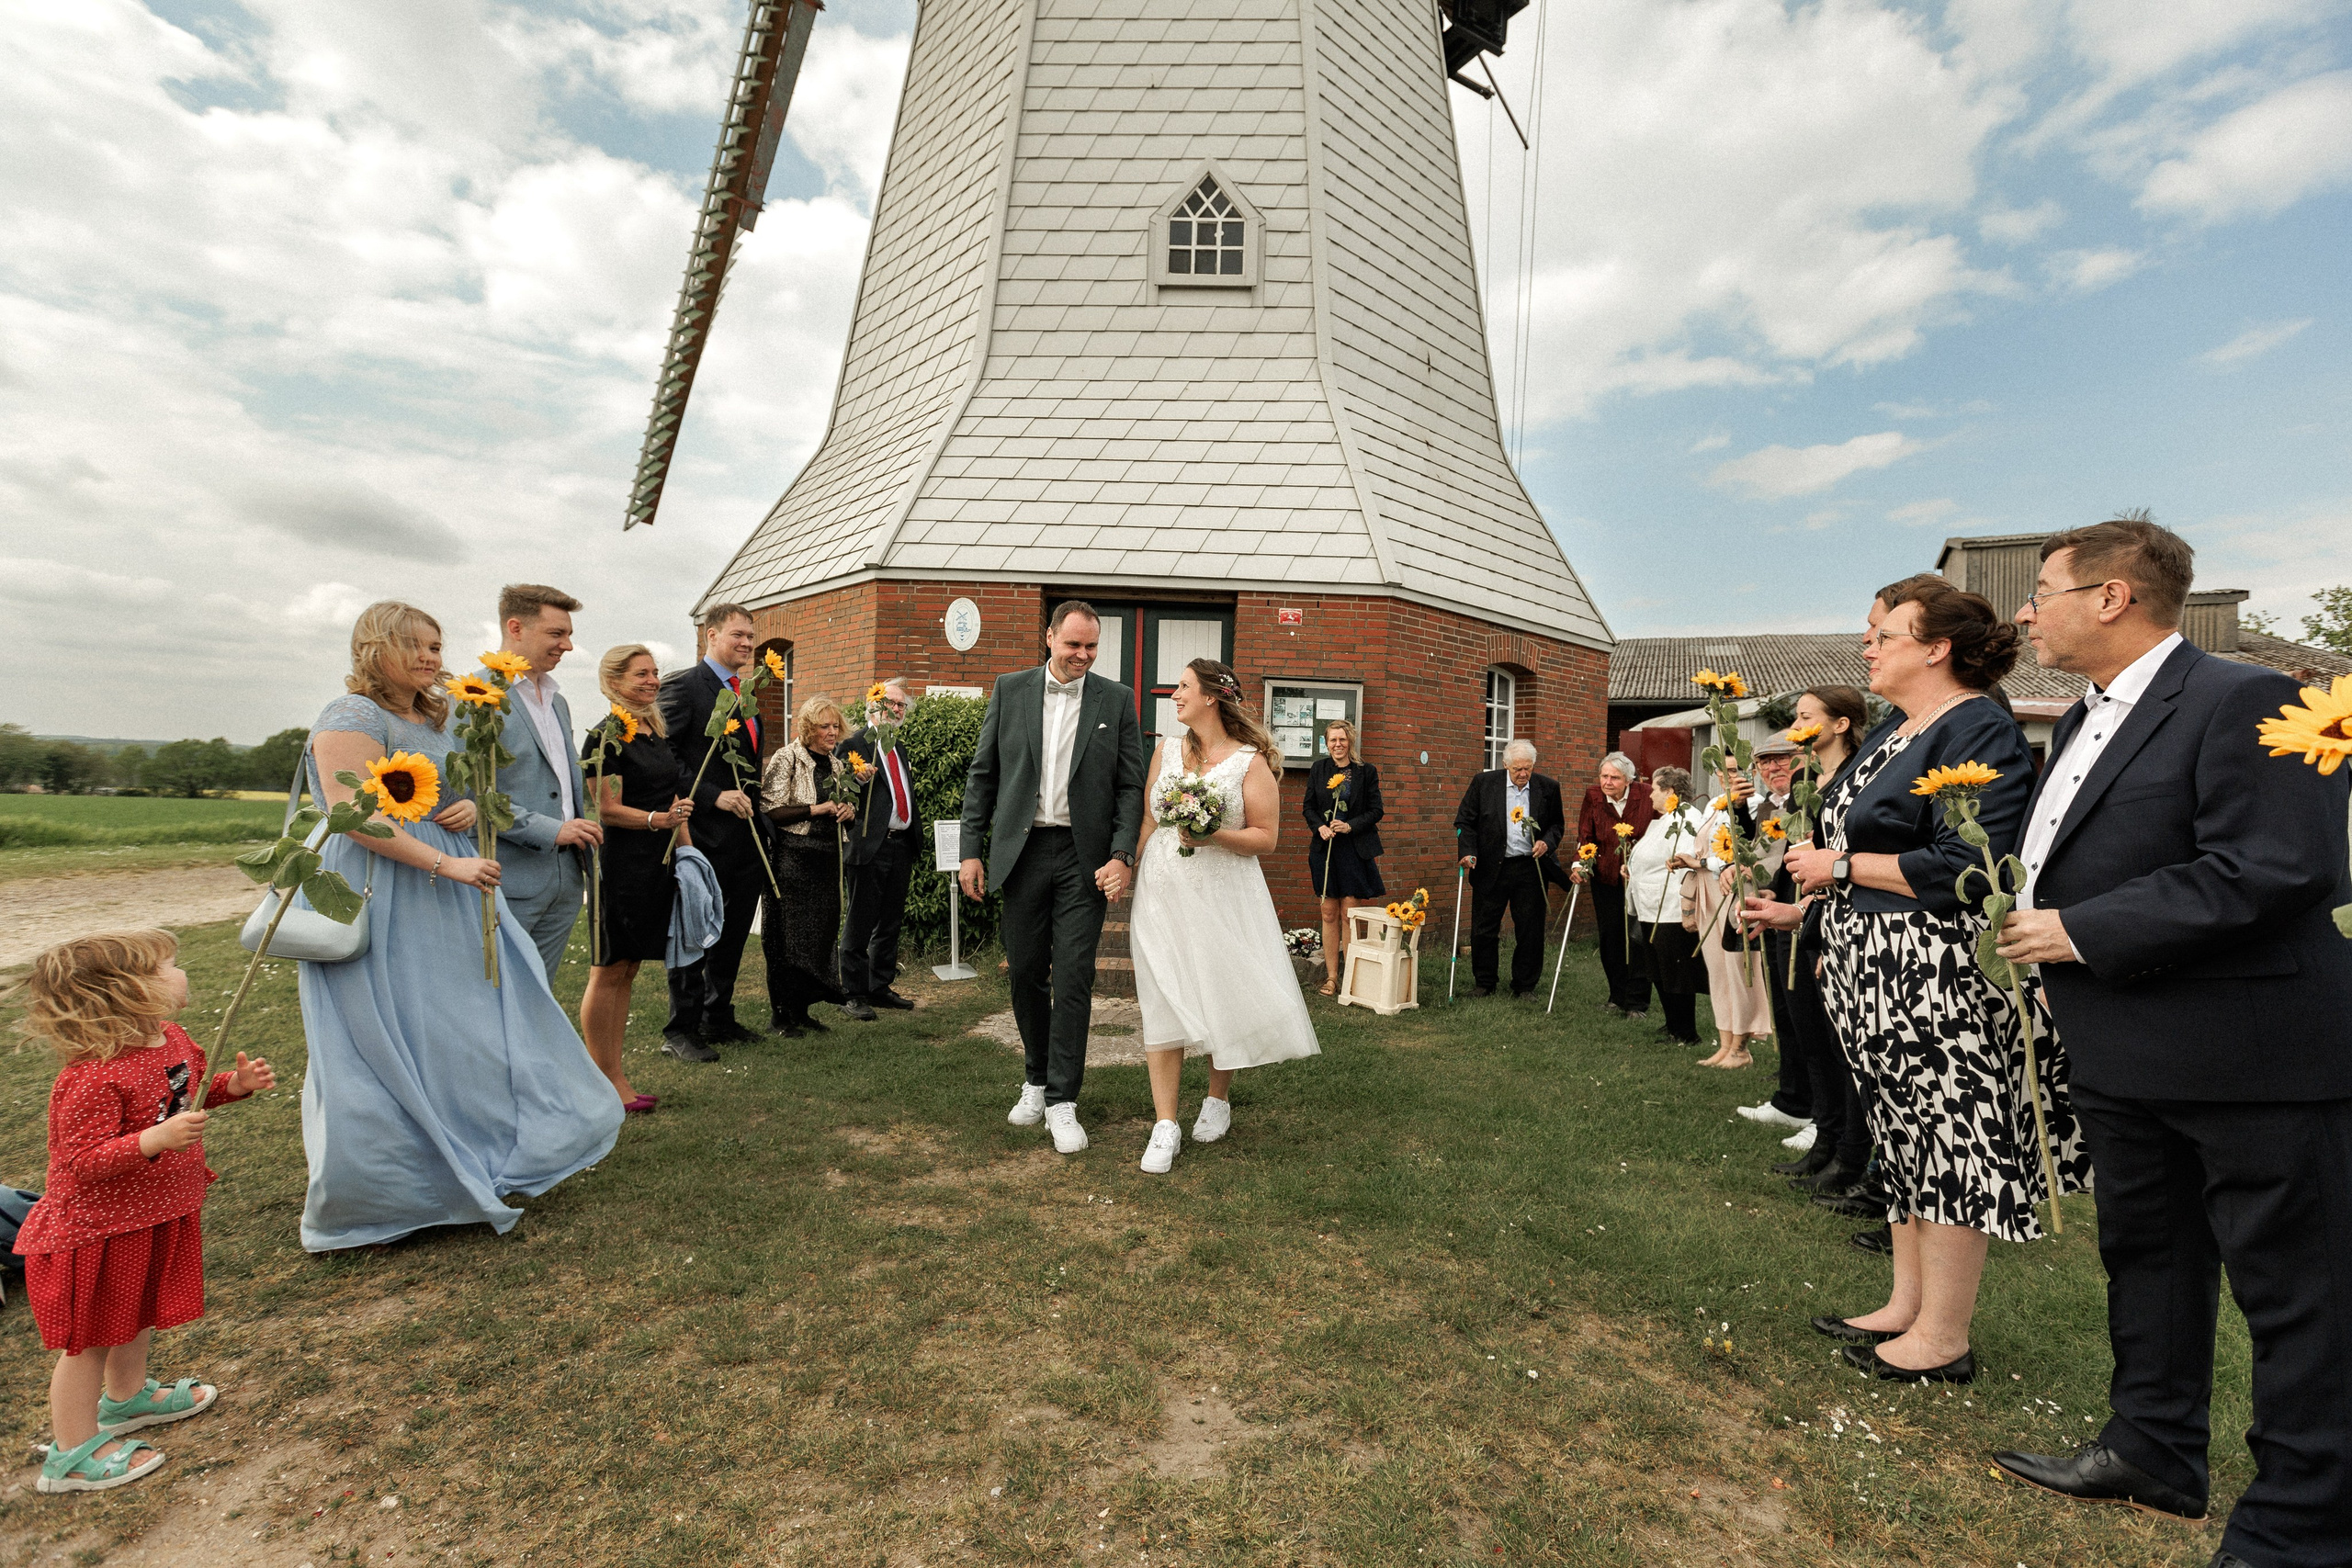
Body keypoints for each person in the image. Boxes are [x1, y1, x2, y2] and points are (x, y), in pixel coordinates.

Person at [1986, 517, 2352, 1565]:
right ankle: (2152, 1448)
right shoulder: (2081, 718)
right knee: (2146, 1257)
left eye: (2041, 590)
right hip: (2124, 1046)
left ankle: (2303, 1525)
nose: (2025, 611)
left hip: (2255, 1052)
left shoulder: (2251, 697)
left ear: (2111, 597)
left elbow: (2280, 865)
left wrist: (2077, 932)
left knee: (2300, 1297)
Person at [1780, 579, 2090, 1383]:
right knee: (1901, 1129)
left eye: (1884, 633)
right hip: (1870, 963)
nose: (1868, 646)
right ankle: (1905, 1301)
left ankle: (1943, 1335)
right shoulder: (1898, 725)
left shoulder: (1978, 724)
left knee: (1948, 1133)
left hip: (1934, 970)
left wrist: (1843, 865)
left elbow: (1969, 861)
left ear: (1936, 647)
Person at [294, 601, 623, 1251]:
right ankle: (392, 1186)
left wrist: (465, 805)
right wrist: (446, 862)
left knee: (456, 1024)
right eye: (413, 645)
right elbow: (351, 814)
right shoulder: (351, 715)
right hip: (384, 884)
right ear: (374, 648)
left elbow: (438, 795)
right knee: (390, 1026)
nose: (430, 658)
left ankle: (472, 1151)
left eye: (436, 646)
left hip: (445, 882)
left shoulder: (432, 716)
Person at [14, 931, 269, 1494]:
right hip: (97, 1231)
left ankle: (125, 1401)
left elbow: (185, 1099)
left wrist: (233, 1086)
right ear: (125, 992)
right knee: (89, 1343)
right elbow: (81, 1161)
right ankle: (70, 1455)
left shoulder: (170, 1038)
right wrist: (154, 1141)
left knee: (136, 1313)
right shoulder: (91, 1076)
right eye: (169, 965)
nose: (182, 971)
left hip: (150, 1217)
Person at [959, 601, 1148, 1154]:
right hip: (1022, 851)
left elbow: (1130, 786)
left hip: (1082, 857)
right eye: (1073, 645)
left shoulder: (1117, 699)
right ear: (1049, 638)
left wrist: (1122, 854)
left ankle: (1064, 1100)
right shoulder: (1009, 689)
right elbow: (983, 775)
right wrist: (971, 850)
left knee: (1072, 977)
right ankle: (1035, 1079)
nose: (1083, 656)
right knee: (1023, 972)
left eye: (1091, 647)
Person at [1129, 660, 1321, 1173]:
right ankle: (1164, 1124)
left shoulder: (1248, 763)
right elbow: (1150, 814)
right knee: (1163, 996)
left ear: (1212, 697)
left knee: (1221, 992)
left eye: (1184, 687)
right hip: (1162, 893)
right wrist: (1129, 863)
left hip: (1223, 895)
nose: (1174, 695)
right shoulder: (1167, 750)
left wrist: (1211, 834)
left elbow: (1267, 838)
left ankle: (1217, 1099)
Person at [1745, 688, 1877, 1201]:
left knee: (1839, 1047)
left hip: (1831, 922)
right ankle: (1823, 1140)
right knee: (1808, 1039)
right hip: (1793, 919)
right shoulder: (1805, 783)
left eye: (1805, 718)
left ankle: (1851, 1153)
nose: (1797, 725)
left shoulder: (1855, 778)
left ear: (1840, 724)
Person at [578, 643, 694, 1114]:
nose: (651, 681)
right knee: (609, 968)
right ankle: (602, 1080)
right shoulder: (606, 737)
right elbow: (606, 808)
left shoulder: (652, 731)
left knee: (628, 971)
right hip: (623, 865)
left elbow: (672, 797)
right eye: (640, 674)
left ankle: (615, 1076)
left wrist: (687, 852)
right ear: (614, 682)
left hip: (659, 863)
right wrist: (657, 822)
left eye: (654, 673)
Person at [657, 603, 773, 1062]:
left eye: (751, 637)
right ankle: (679, 1029)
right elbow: (663, 757)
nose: (747, 643)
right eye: (738, 635)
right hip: (701, 833)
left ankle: (717, 1017)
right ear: (711, 635)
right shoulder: (684, 688)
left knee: (733, 932)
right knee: (694, 931)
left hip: (745, 837)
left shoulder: (746, 694)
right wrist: (712, 796)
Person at [483, 584, 600, 978]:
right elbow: (472, 796)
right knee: (495, 996)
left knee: (539, 999)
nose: (567, 646)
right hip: (508, 879)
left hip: (566, 880)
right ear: (515, 628)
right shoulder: (476, 698)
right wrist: (553, 830)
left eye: (568, 635)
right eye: (556, 634)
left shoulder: (558, 701)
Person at [761, 696, 854, 1038]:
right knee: (786, 939)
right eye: (824, 726)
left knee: (817, 938)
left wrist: (848, 812)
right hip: (793, 859)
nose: (832, 732)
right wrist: (816, 809)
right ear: (808, 727)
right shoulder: (787, 757)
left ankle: (802, 1012)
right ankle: (780, 1015)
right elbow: (771, 808)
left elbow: (842, 810)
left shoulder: (837, 764)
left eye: (835, 726)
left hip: (827, 858)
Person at [838, 679, 922, 1021]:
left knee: (889, 921)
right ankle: (853, 993)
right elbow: (842, 792)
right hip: (869, 846)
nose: (898, 710)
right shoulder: (854, 744)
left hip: (900, 846)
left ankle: (879, 985)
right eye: (892, 704)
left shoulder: (897, 746)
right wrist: (857, 780)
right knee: (860, 922)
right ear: (874, 704)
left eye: (902, 706)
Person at [1731, 736, 1807, 1111]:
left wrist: (1777, 890)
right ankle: (1791, 1090)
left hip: (1802, 911)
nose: (1772, 769)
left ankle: (1803, 1098)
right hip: (1774, 908)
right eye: (1764, 763)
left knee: (1800, 1009)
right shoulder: (1766, 807)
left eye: (1781, 760)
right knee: (1783, 1006)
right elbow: (1754, 847)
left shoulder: (1806, 803)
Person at [1453, 739, 1565, 998]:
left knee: (1530, 928)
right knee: (1484, 928)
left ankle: (1525, 985)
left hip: (1529, 868)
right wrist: (1468, 851)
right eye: (1517, 770)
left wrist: (1546, 843)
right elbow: (1464, 821)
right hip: (1491, 866)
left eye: (1528, 769)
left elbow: (1557, 825)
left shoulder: (1548, 788)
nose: (1523, 774)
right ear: (1505, 765)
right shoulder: (1484, 784)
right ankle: (1484, 983)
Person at [1689, 776, 1773, 1068]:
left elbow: (1754, 852)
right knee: (1718, 972)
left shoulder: (1758, 805)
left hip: (1738, 891)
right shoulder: (1714, 805)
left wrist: (1714, 865)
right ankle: (1725, 1045)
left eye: (1735, 770)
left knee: (1740, 972)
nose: (1729, 778)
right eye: (1723, 772)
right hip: (1711, 892)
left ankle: (1741, 1048)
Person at [1302, 717, 1385, 996]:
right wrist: (1320, 826)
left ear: (1350, 741)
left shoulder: (1366, 771)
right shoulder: (1319, 769)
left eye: (1342, 739)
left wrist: (1350, 825)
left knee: (1349, 913)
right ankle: (1332, 977)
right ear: (1327, 743)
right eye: (1332, 740)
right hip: (1324, 850)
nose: (1338, 744)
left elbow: (1376, 810)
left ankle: (1352, 978)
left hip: (1353, 850)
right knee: (1328, 912)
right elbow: (1308, 807)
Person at [1623, 767, 1706, 1045]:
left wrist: (1687, 910)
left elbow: (1686, 864)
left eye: (1655, 789)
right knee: (1657, 970)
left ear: (1670, 791)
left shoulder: (1689, 819)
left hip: (1669, 908)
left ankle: (1686, 1032)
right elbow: (1651, 857)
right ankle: (1672, 1024)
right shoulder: (1662, 821)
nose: (1650, 795)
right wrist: (1631, 867)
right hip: (1649, 906)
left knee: (1676, 971)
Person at [1573, 751, 1656, 1016]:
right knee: (1611, 938)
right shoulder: (1593, 796)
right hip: (1606, 878)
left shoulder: (1648, 795)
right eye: (1604, 776)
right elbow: (1586, 834)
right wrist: (1580, 865)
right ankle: (1617, 996)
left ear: (1629, 780)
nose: (1607, 782)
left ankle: (1638, 1002)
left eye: (1614, 778)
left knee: (1637, 938)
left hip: (1640, 880)